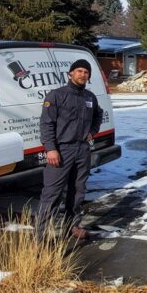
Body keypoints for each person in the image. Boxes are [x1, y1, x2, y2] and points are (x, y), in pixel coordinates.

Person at [37, 59, 103, 239]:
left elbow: (98, 114)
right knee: (52, 193)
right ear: (71, 73)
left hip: (82, 150)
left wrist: (92, 131)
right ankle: (40, 237)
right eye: (79, 71)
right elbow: (46, 124)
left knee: (78, 191)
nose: (83, 74)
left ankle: (72, 226)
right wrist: (50, 149)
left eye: (86, 72)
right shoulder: (56, 96)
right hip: (61, 150)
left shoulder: (90, 97)